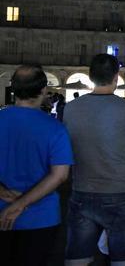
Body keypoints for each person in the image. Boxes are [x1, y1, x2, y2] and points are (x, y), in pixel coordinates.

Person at [63, 54, 125, 265]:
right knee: (123, 260)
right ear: (116, 77)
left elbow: (68, 146)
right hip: (119, 192)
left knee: (77, 259)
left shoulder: (70, 109)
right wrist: (122, 148)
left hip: (82, 191)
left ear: (91, 77)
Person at [0, 65, 74, 266]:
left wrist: (5, 194)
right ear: (43, 90)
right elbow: (59, 175)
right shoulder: (55, 128)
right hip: (41, 217)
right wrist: (20, 204)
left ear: (13, 89)